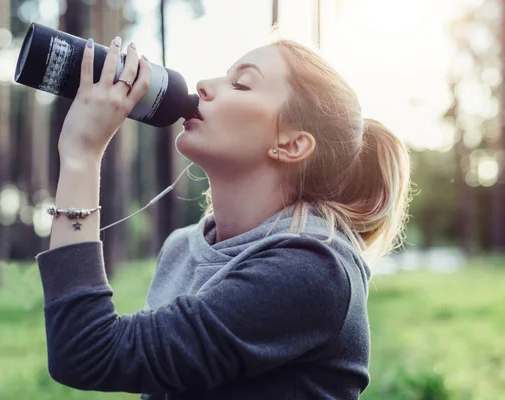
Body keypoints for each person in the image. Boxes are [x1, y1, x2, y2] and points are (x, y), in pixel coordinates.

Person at [35, 34, 410, 400]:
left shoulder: (314, 268)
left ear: (292, 144)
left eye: (241, 84)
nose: (203, 85)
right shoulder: (182, 247)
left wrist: (81, 155)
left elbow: (87, 353)